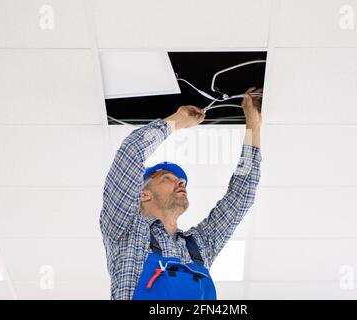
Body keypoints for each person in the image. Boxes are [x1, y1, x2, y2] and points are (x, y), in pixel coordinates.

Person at [100, 87, 263, 300]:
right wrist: (176, 121)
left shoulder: (198, 246)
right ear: (144, 195)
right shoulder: (126, 229)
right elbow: (131, 153)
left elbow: (241, 196)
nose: (180, 182)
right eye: (167, 178)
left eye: (181, 181)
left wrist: (253, 125)